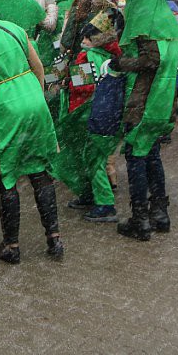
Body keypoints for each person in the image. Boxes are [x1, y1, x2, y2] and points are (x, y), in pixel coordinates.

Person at [0, 15, 64, 264]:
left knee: (8, 176)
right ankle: (54, 238)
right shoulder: (12, 26)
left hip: (6, 108)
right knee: (40, 173)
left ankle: (12, 245)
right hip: (33, 100)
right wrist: (33, 95)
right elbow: (38, 67)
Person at [108, 0, 178, 241]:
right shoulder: (166, 21)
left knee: (136, 156)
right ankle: (159, 212)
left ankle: (140, 219)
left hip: (144, 101)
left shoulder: (147, 22)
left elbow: (151, 61)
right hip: (163, 102)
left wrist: (121, 63)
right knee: (151, 154)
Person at [56, 12, 124, 223]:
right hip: (105, 115)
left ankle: (104, 203)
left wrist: (62, 81)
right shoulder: (113, 57)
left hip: (85, 114)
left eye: (87, 38)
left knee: (91, 159)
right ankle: (91, 195)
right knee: (93, 158)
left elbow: (82, 86)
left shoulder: (86, 56)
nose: (84, 41)